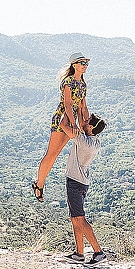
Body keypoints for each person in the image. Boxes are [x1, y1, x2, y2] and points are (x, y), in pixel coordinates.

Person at [31, 52, 90, 202]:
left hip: (72, 121)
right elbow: (68, 104)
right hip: (62, 120)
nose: (85, 66)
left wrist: (87, 124)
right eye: (82, 63)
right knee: (52, 154)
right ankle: (39, 185)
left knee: (58, 154)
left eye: (86, 63)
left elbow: (83, 107)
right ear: (74, 65)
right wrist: (74, 123)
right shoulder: (67, 81)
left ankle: (40, 185)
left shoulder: (83, 84)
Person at [59, 113, 107, 264]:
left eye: (86, 121)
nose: (83, 121)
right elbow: (83, 125)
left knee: (79, 218)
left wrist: (67, 110)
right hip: (83, 182)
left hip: (74, 182)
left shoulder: (83, 141)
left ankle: (98, 252)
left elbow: (62, 126)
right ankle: (79, 253)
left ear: (91, 127)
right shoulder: (95, 141)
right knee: (75, 218)